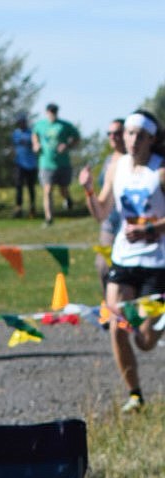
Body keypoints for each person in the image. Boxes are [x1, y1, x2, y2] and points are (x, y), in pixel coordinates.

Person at [80, 110, 165, 413]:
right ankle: (135, 395)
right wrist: (88, 188)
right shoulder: (117, 166)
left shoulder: (161, 170)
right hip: (123, 257)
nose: (132, 140)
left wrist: (150, 229)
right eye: (129, 133)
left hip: (157, 261)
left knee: (145, 341)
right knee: (116, 326)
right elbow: (102, 212)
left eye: (140, 135)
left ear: (152, 139)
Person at [33, 103, 80, 226]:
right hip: (46, 163)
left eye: (54, 112)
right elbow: (34, 135)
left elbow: (77, 138)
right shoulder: (40, 125)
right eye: (50, 111)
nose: (52, 114)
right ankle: (49, 218)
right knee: (47, 190)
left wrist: (67, 145)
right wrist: (36, 144)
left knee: (63, 189)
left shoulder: (64, 125)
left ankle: (67, 198)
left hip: (62, 163)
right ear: (46, 112)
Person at [94, 119, 127, 290]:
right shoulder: (108, 160)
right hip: (108, 221)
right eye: (110, 133)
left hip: (127, 222)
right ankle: (108, 306)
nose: (113, 137)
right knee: (102, 265)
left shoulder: (133, 159)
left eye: (117, 133)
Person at [11, 115, 38, 218]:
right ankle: (18, 208)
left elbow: (34, 144)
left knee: (31, 187)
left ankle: (32, 208)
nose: (21, 124)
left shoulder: (31, 133)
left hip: (31, 164)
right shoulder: (16, 133)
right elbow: (16, 143)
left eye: (22, 122)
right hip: (19, 164)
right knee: (19, 186)